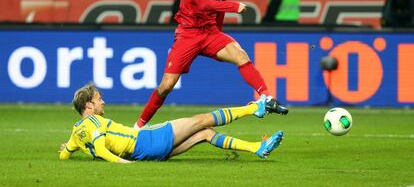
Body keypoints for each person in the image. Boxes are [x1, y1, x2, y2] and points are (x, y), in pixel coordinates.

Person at [135, 0, 288, 128]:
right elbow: (203, 4)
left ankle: (266, 97)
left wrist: (219, 35)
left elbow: (218, 13)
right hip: (188, 34)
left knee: (240, 54)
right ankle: (138, 127)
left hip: (210, 33)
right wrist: (234, 6)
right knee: (166, 85)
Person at [58, 83, 284, 162]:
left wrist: (68, 150)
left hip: (145, 153)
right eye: (98, 100)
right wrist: (121, 164)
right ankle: (256, 108)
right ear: (88, 106)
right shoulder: (95, 122)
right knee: (201, 120)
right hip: (145, 141)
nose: (103, 102)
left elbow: (64, 154)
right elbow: (100, 148)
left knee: (205, 133)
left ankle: (257, 148)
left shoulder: (77, 132)